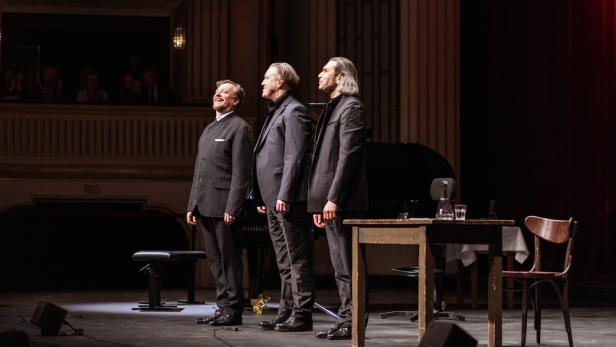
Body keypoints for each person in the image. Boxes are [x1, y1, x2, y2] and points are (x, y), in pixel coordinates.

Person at [308, 57, 369, 340]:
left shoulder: (351, 107)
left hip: (342, 201)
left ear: (341, 77)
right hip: (329, 201)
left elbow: (347, 157)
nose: (320, 74)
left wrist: (333, 198)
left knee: (348, 264)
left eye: (325, 71)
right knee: (339, 267)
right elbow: (323, 161)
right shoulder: (333, 108)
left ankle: (353, 320)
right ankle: (345, 318)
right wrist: (319, 202)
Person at [251, 63, 314, 332]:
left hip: (286, 197)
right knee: (283, 260)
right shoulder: (276, 112)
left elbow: (295, 157)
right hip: (272, 198)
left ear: (282, 82)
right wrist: (262, 196)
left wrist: (285, 194)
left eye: (267, 77)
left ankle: (302, 314)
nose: (262, 82)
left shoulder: (295, 110)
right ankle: (287, 311)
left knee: (296, 258)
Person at [186, 80, 253, 326]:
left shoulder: (240, 128)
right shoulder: (208, 129)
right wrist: (192, 204)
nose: (218, 94)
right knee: (215, 260)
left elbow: (241, 173)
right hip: (205, 205)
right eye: (217, 91)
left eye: (225, 92)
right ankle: (222, 306)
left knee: (228, 259)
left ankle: (234, 309)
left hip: (224, 206)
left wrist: (233, 207)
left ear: (235, 101)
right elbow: (199, 172)